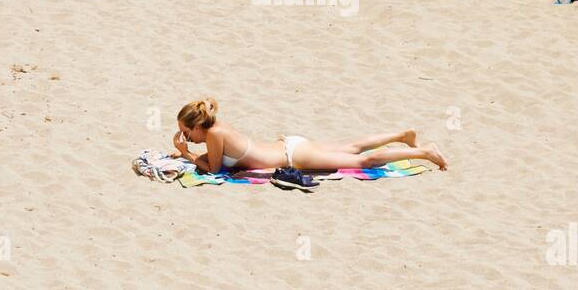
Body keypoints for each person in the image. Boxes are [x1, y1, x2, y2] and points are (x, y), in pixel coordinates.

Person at [171, 99, 448, 175]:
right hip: (291, 144)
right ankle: (402, 134)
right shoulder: (217, 129)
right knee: (352, 147)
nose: (186, 137)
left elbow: (215, 169)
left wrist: (186, 155)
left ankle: (425, 152)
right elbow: (212, 158)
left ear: (198, 126)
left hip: (295, 156)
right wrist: (188, 154)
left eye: (186, 132)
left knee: (364, 162)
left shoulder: (215, 135)